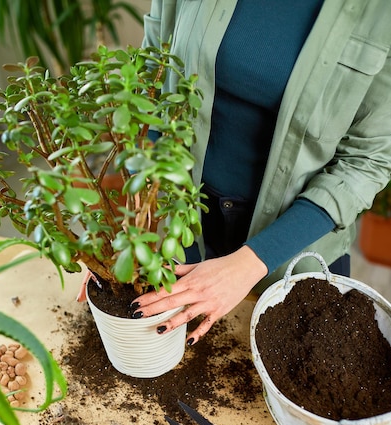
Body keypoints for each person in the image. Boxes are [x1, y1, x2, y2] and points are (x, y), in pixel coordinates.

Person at [130, 0, 391, 346]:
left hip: (296, 247)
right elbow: (152, 78)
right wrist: (120, 231)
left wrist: (251, 262)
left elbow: (367, 160)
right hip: (181, 229)